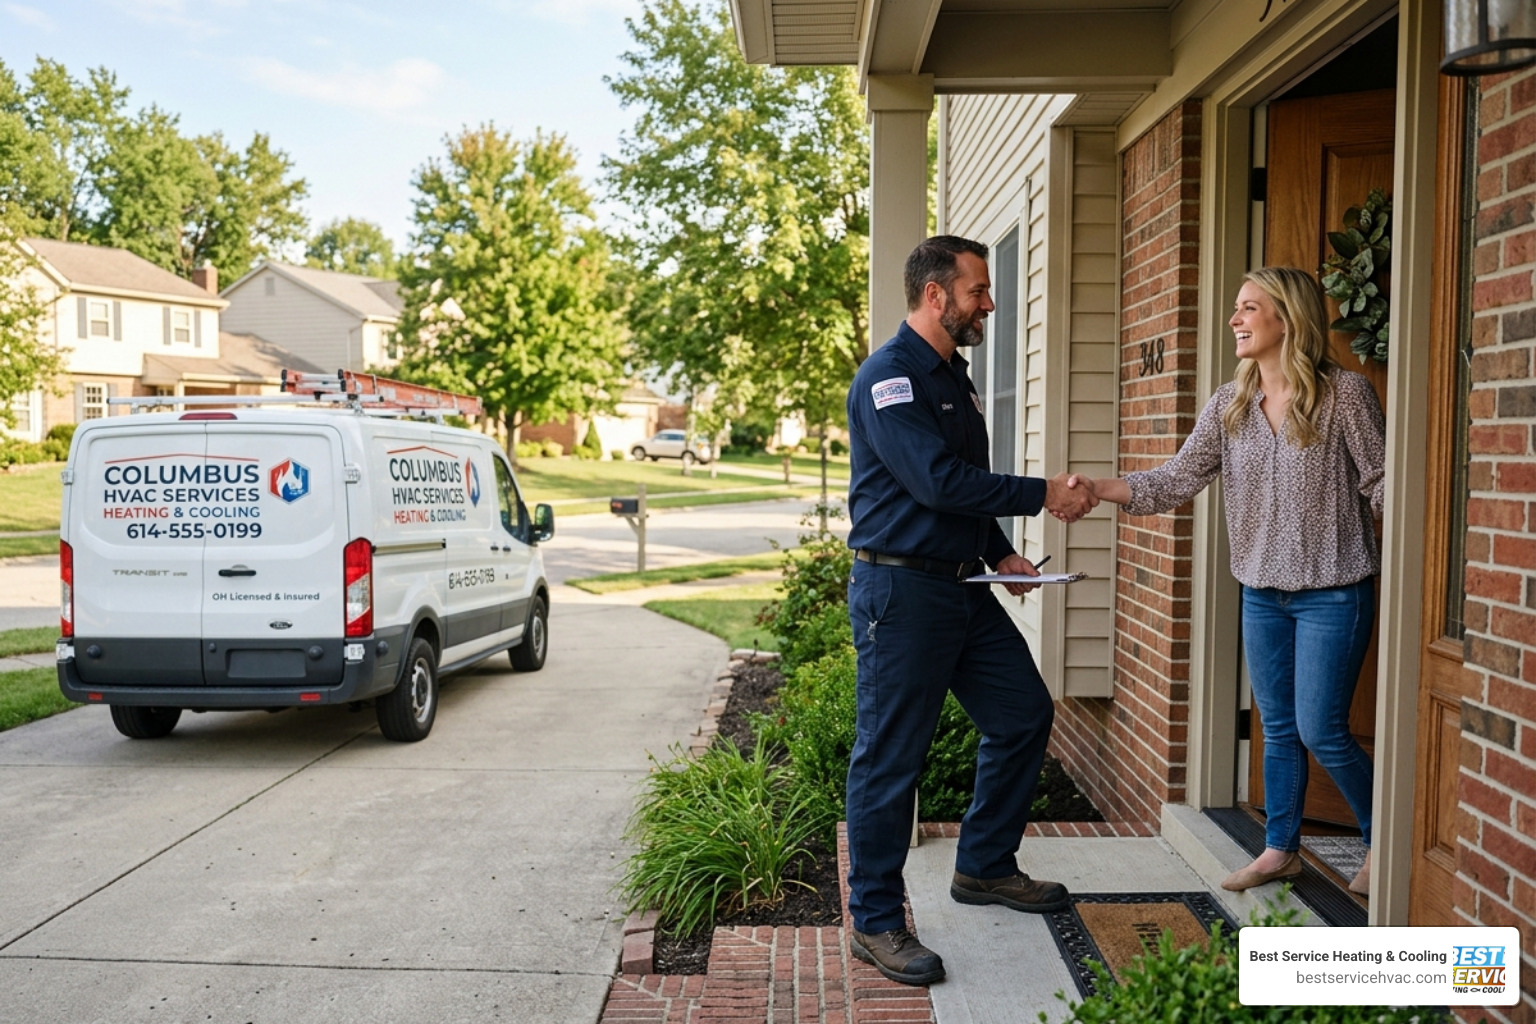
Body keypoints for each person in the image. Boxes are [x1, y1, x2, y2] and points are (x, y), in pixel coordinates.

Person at [1071, 266, 1384, 896]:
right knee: (1276, 725)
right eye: (1236, 309)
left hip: (1333, 590)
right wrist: (1098, 488)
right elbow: (1178, 477)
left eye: (1248, 308)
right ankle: (1280, 849)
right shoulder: (1230, 403)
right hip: (1262, 594)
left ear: (1286, 319)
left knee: (1322, 726)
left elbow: (1382, 482)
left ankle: (1382, 839)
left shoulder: (1344, 396)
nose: (1235, 320)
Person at [843, 235, 1097, 987]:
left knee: (1022, 713)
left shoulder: (955, 375)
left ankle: (984, 865)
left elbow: (966, 484)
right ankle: (878, 921)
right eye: (977, 290)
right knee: (890, 757)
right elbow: (935, 483)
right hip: (902, 593)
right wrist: (1042, 494)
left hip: (962, 586)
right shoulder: (890, 378)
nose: (988, 303)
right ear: (934, 295)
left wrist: (1000, 552)